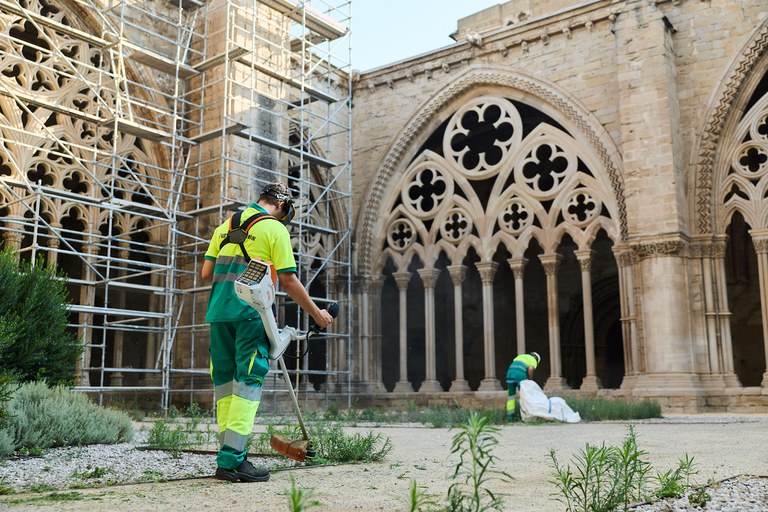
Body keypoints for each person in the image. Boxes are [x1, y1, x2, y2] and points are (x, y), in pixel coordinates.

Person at [201, 182, 333, 483]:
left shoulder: (224, 227)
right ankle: (232, 461)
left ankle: (229, 454)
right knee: (248, 383)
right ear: (282, 206)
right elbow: (289, 281)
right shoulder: (275, 229)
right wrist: (318, 314)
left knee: (225, 386)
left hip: (218, 314)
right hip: (249, 315)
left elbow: (206, 273)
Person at [505, 352, 540, 422]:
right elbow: (531, 369)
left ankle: (510, 418)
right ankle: (526, 416)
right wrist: (530, 380)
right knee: (525, 395)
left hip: (510, 374)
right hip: (519, 374)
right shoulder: (533, 360)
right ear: (536, 358)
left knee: (511, 397)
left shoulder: (520, 356)